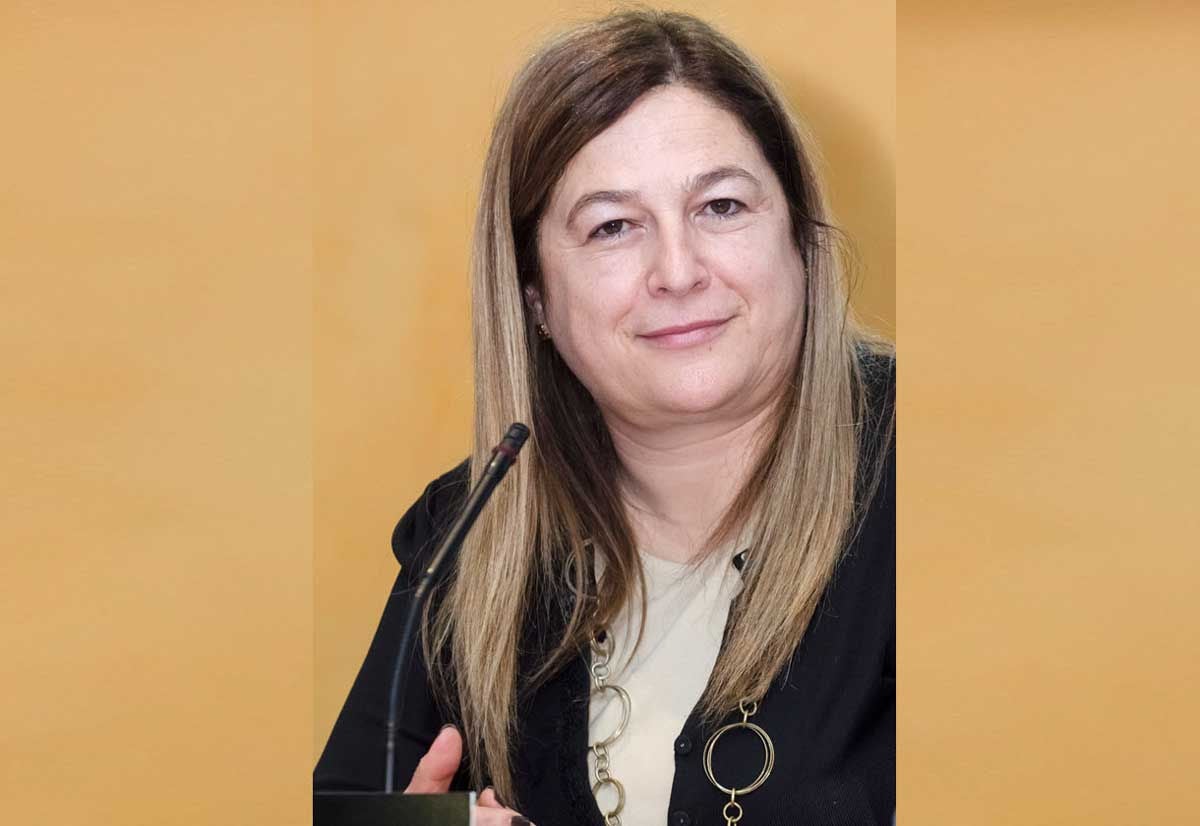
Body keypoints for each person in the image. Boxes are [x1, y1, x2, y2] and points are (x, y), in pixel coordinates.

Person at [316, 9, 895, 826]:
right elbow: (344, 806)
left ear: (800, 239)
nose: (678, 271)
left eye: (721, 207)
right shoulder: (469, 537)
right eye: (613, 227)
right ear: (535, 297)